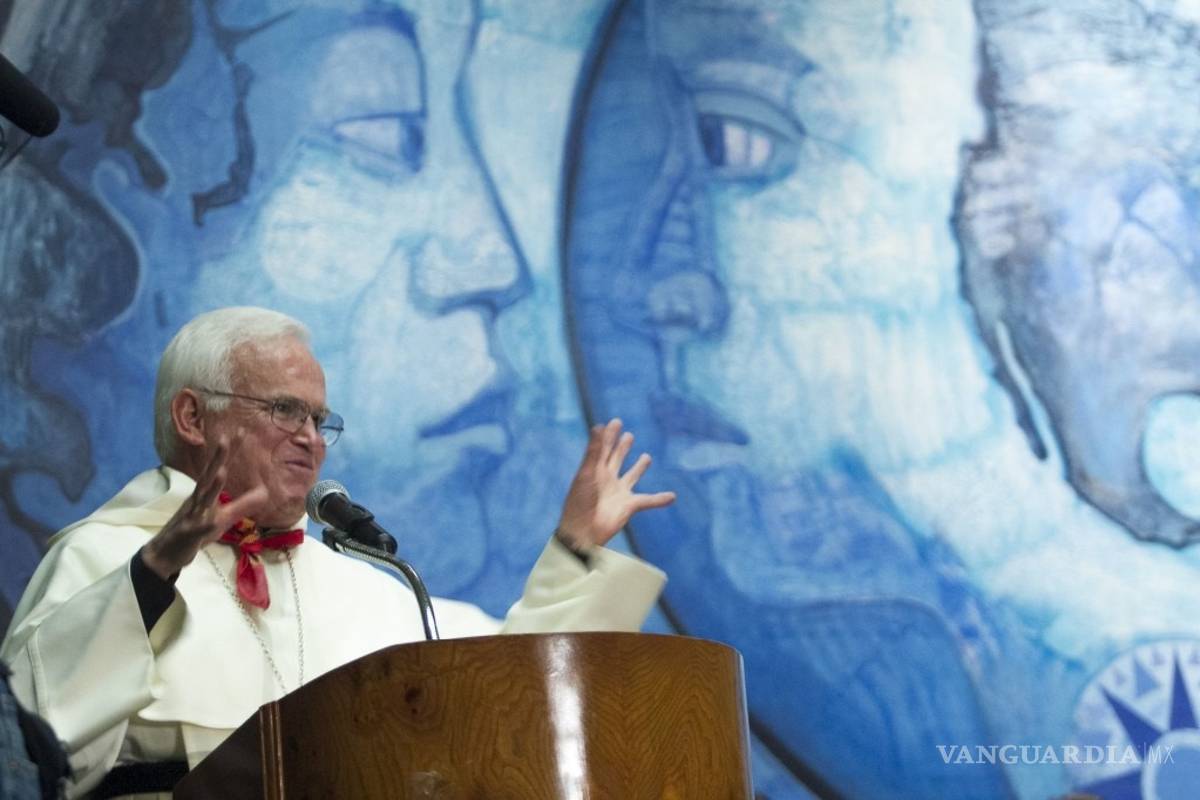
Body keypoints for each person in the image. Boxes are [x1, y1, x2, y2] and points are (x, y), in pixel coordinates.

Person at [1, 306, 674, 799]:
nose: (313, 441)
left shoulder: (365, 587)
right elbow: (28, 746)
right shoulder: (106, 558)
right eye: (286, 411)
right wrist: (153, 576)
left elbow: (503, 693)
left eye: (321, 422)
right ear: (193, 417)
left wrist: (577, 548)